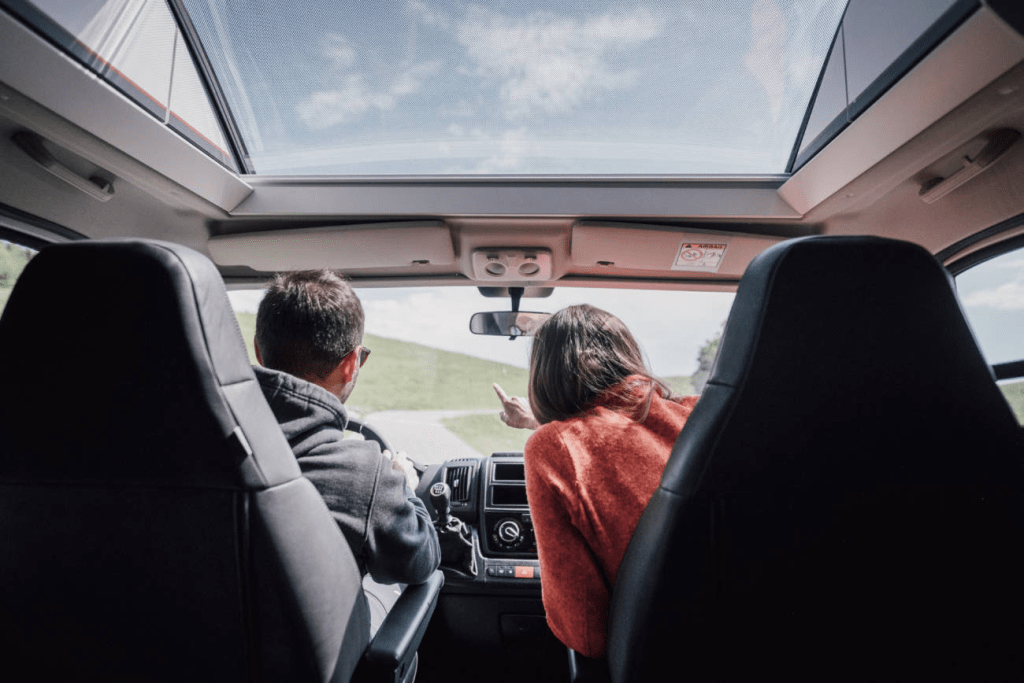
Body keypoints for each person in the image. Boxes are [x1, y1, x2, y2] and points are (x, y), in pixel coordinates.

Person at [494, 304, 699, 659]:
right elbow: (621, 426)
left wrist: (544, 430)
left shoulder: (552, 449)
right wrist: (537, 424)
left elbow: (585, 632)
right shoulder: (701, 415)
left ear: (547, 373)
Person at [253, 269, 440, 635]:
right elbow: (420, 562)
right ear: (351, 363)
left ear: (259, 351)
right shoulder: (364, 475)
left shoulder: (188, 447)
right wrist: (404, 486)